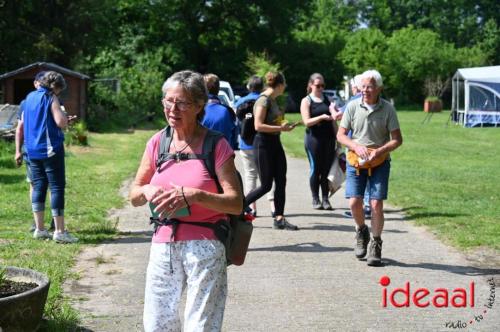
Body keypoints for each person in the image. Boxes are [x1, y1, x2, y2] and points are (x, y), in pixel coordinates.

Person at [129, 70, 243, 331]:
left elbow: (235, 203)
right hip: (163, 244)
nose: (173, 109)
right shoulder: (158, 142)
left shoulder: (216, 145)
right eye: (168, 101)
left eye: (181, 103)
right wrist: (146, 191)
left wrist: (195, 195)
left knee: (200, 324)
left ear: (199, 105)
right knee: (157, 322)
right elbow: (135, 193)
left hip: (205, 245)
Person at [337, 69, 402, 266]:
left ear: (379, 88)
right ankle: (361, 231)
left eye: (369, 87)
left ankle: (376, 242)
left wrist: (379, 151)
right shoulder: (352, 107)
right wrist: (356, 146)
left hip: (380, 162)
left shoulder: (388, 109)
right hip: (355, 161)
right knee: (354, 202)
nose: (365, 90)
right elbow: (341, 135)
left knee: (376, 204)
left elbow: (397, 140)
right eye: (362, 86)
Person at [22, 71, 78, 243]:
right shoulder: (50, 97)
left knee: (38, 186)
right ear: (55, 86)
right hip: (50, 148)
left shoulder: (29, 97)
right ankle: (60, 232)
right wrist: (66, 120)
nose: (58, 93)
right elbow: (60, 123)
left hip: (31, 149)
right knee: (56, 187)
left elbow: (29, 120)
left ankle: (40, 229)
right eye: (59, 90)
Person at [244, 71, 299, 230]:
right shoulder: (263, 100)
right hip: (263, 144)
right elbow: (258, 126)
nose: (285, 87)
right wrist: (280, 127)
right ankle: (238, 207)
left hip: (275, 142)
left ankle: (279, 218)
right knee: (266, 185)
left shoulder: (274, 100)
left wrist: (285, 125)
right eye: (285, 84)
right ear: (280, 85)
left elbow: (276, 121)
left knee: (281, 180)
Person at [15, 71, 57, 232]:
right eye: (40, 82)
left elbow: (57, 122)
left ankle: (53, 221)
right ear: (35, 83)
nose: (42, 85)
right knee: (37, 184)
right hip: (35, 149)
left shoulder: (51, 99)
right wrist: (17, 151)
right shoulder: (26, 103)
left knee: (49, 185)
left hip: (42, 149)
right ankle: (38, 223)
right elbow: (20, 128)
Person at [234, 75, 275, 217]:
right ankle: (273, 206)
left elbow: (237, 122)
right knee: (268, 176)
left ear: (248, 87)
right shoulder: (265, 100)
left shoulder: (241, 102)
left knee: (250, 175)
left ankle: (251, 207)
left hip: (246, 144)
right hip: (263, 142)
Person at [300, 73, 336, 210]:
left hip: (329, 139)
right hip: (313, 140)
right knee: (316, 169)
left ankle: (325, 199)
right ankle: (315, 198)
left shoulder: (329, 99)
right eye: (317, 85)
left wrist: (338, 135)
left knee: (326, 170)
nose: (320, 88)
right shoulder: (307, 100)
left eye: (322, 85)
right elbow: (306, 122)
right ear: (311, 85)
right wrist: (321, 117)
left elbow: (333, 120)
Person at [339, 75, 372, 219]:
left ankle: (363, 207)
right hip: (369, 144)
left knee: (359, 175)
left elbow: (338, 116)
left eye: (353, 86)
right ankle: (368, 206)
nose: (353, 89)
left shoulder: (354, 101)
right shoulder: (368, 101)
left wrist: (332, 109)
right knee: (369, 174)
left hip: (355, 144)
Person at [201, 73, 238, 150]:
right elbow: (234, 138)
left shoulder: (195, 110)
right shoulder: (227, 111)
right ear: (218, 89)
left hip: (200, 157)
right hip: (223, 157)